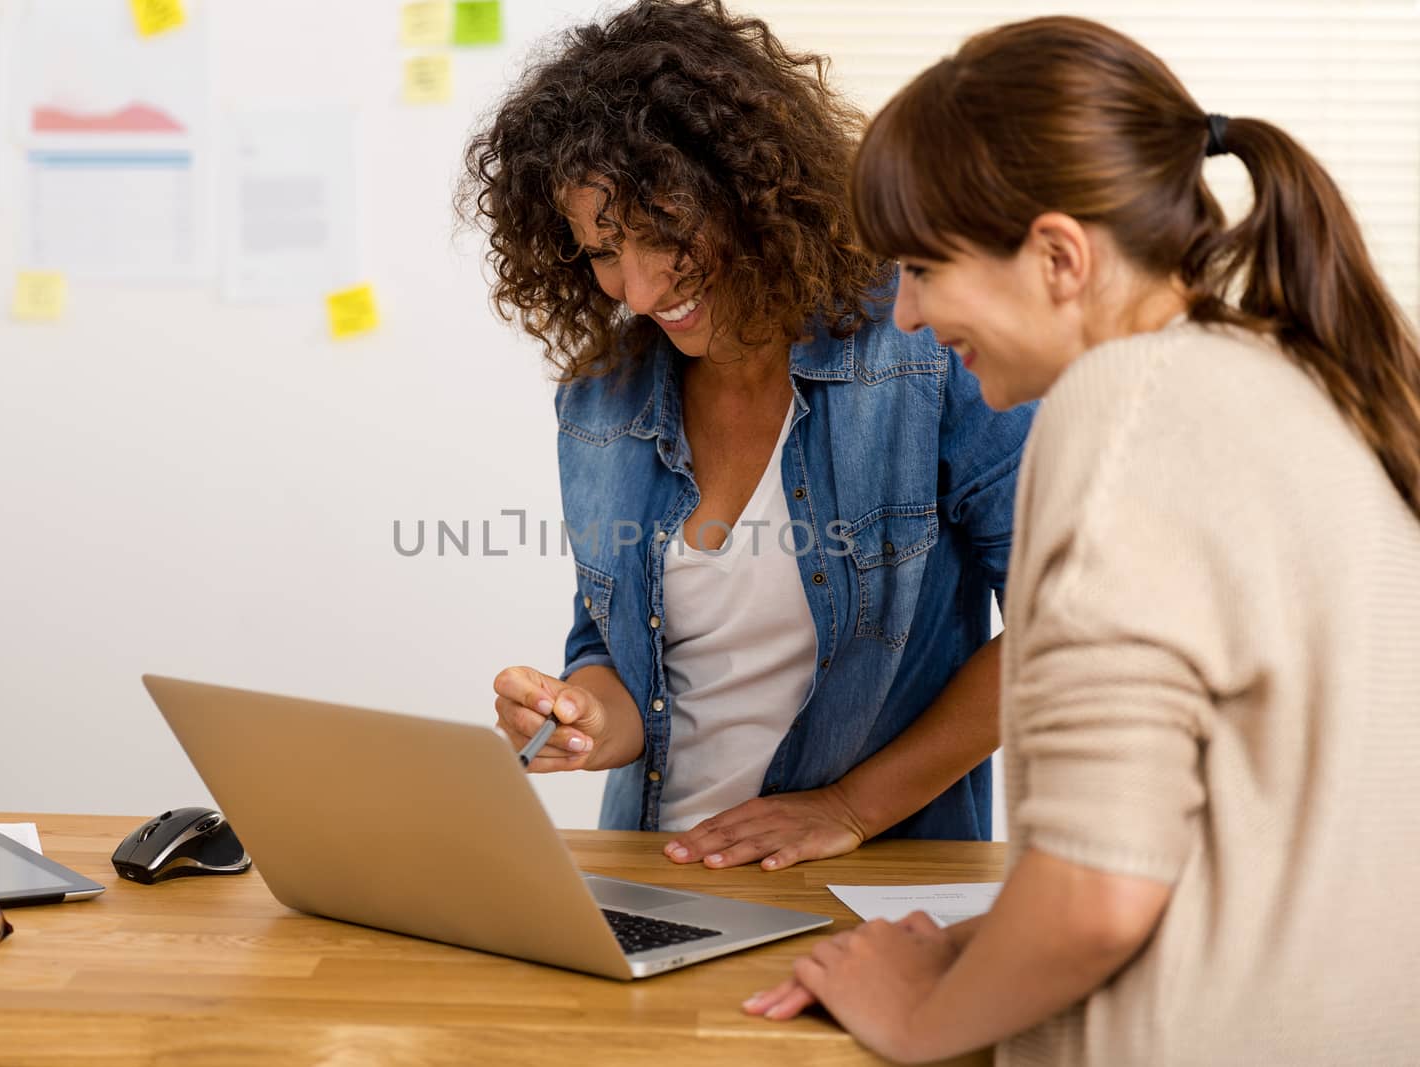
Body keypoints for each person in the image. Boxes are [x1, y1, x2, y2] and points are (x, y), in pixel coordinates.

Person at [745, 14, 1420, 1063]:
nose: (909, 314)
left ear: (1058, 255)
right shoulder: (1307, 383)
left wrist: (919, 1014)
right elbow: (1235, 848)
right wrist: (968, 946)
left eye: (923, 267)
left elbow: (1098, 897)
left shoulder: (1121, 406)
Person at [459, 0, 1034, 868]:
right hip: (656, 865)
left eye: (662, 231)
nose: (642, 290)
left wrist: (846, 807)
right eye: (603, 251)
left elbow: (1061, 624)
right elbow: (613, 653)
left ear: (750, 191)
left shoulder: (925, 347)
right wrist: (576, 719)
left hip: (866, 874)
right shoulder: (603, 400)